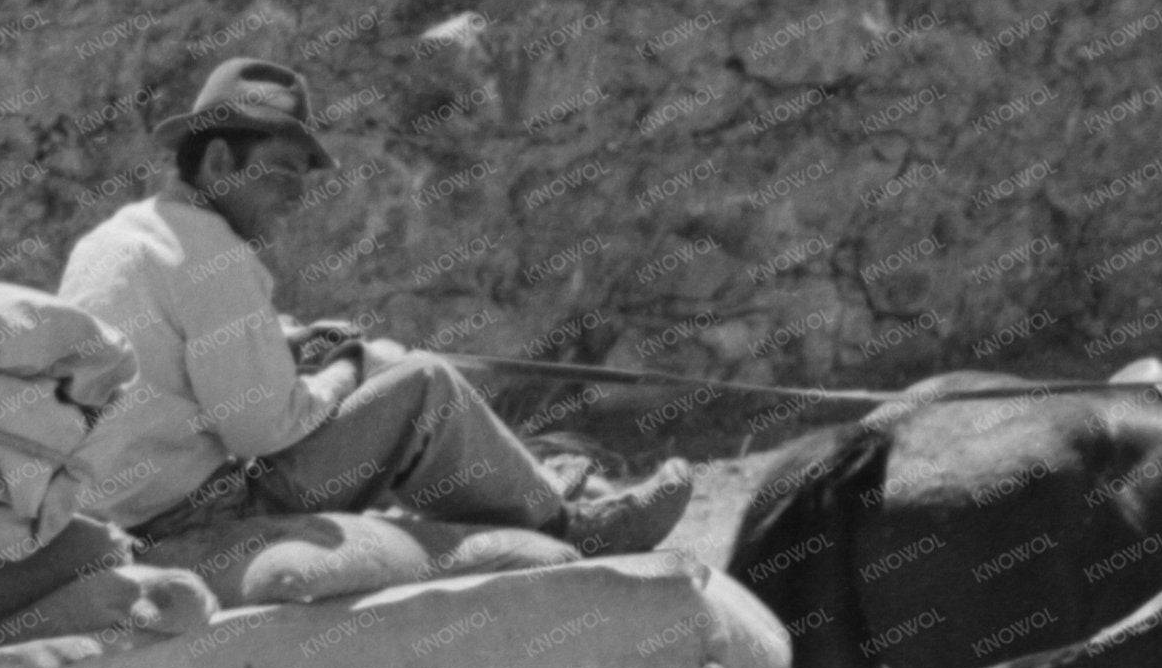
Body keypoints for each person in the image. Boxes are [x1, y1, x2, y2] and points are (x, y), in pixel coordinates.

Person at [59, 58, 691, 555]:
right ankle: (571, 526)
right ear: (222, 159)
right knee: (424, 386)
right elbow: (264, 429)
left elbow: (185, 351)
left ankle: (532, 492)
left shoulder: (118, 238)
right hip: (200, 516)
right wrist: (349, 366)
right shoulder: (215, 255)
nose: (294, 199)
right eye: (282, 173)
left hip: (113, 512)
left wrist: (295, 340)